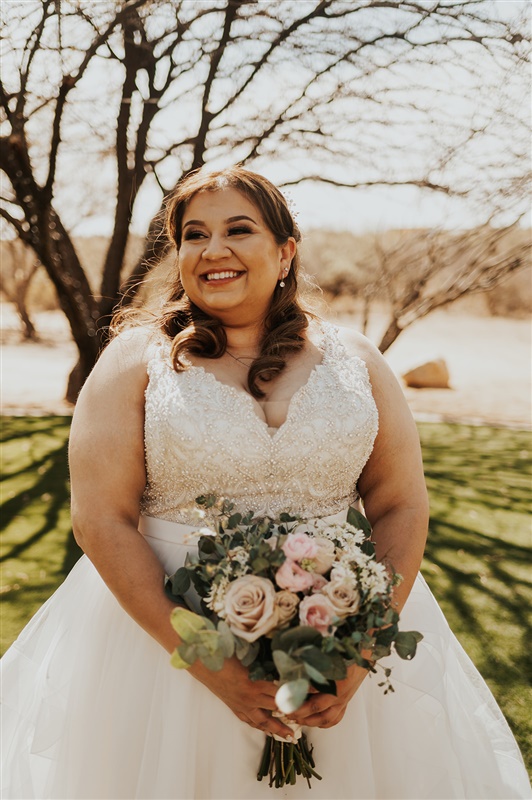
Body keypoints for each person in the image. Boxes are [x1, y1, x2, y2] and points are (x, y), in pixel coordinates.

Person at [1, 167, 530, 800]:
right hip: (163, 649)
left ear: (285, 252)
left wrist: (359, 651)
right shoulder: (134, 362)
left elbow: (401, 503)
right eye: (194, 234)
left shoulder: (358, 360)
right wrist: (210, 663)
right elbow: (100, 520)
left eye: (238, 229)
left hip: (341, 636)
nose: (212, 250)